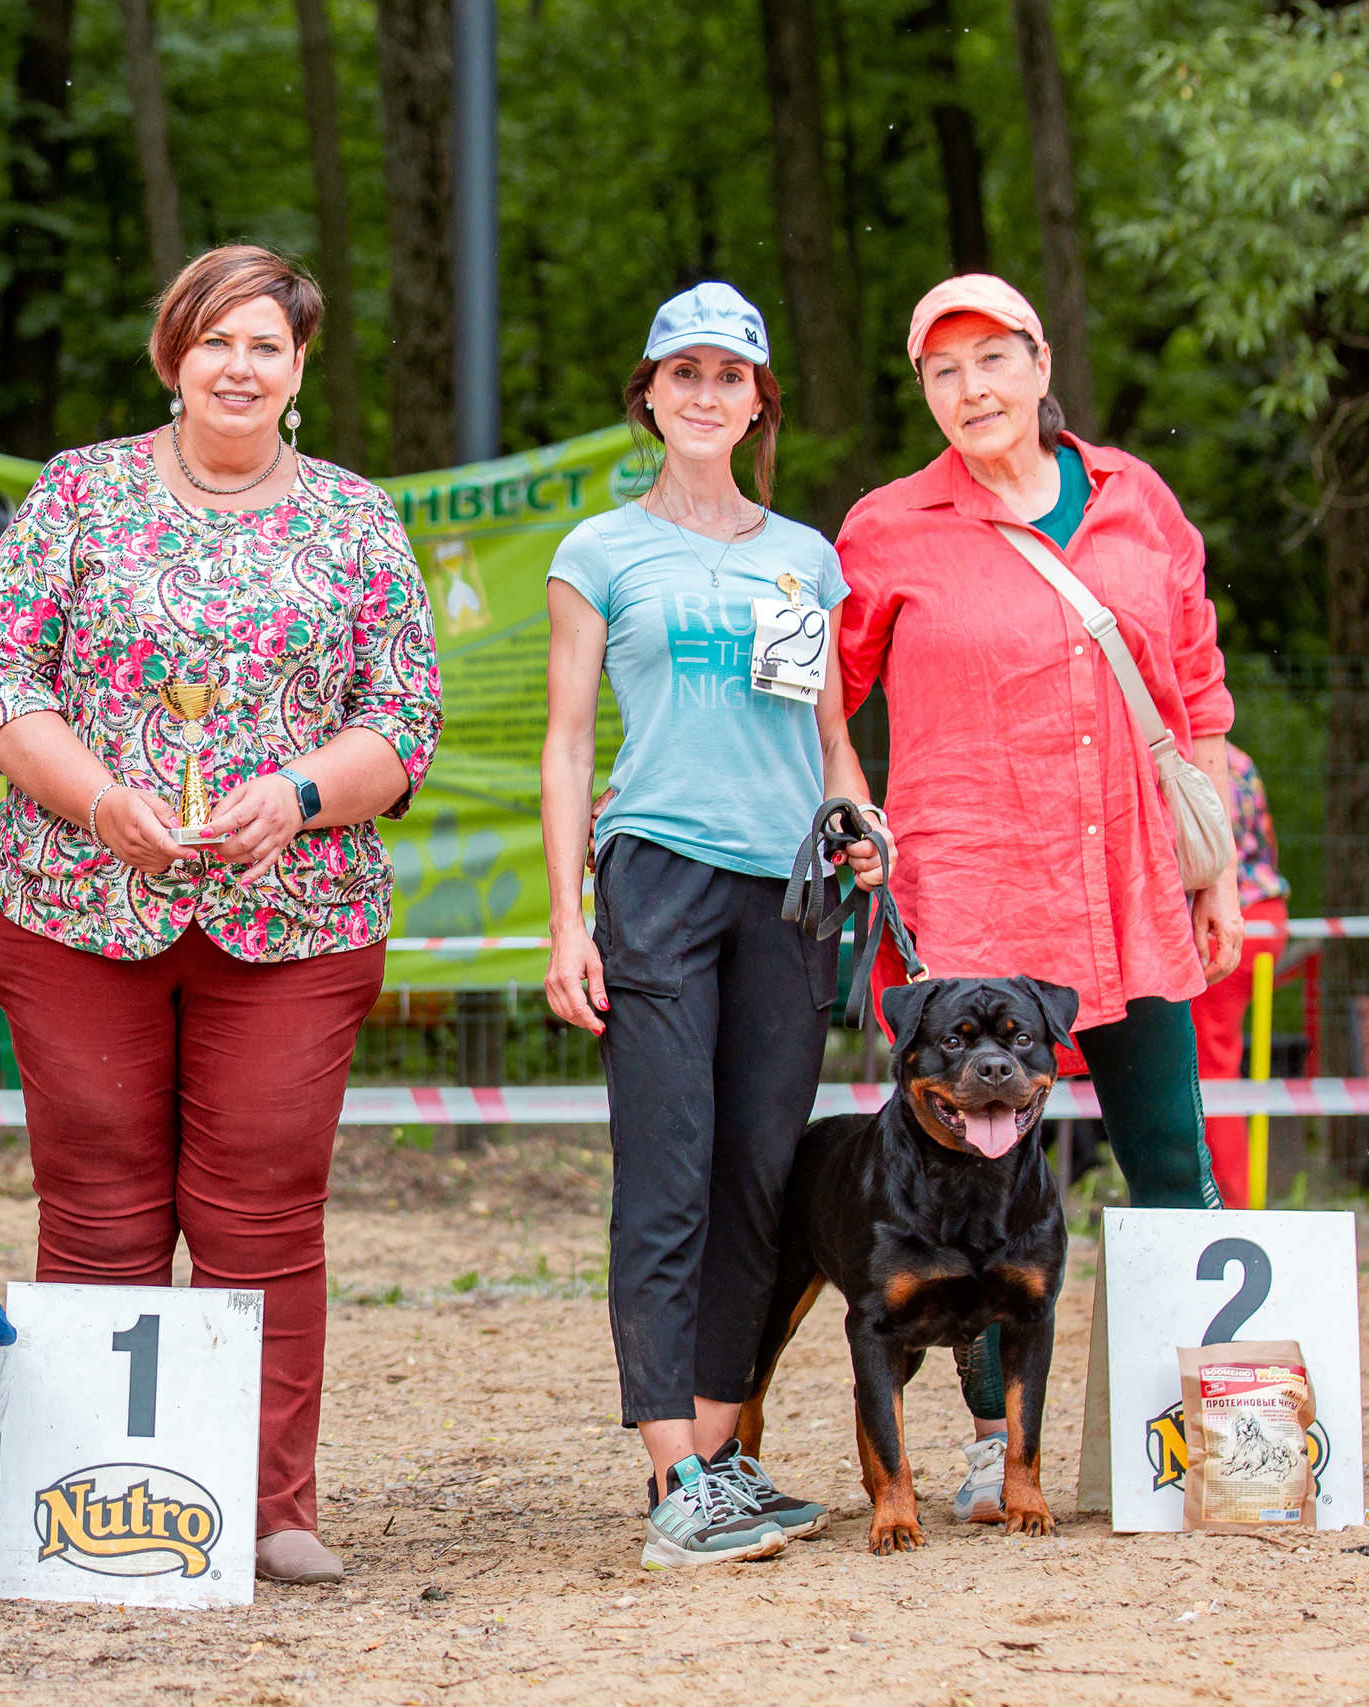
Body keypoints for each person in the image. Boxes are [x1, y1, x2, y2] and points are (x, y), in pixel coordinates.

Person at [0, 245, 441, 1586]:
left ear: (297, 371)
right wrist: (101, 796)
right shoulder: (78, 494)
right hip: (75, 907)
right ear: (174, 355)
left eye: (266, 346)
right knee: (98, 1208)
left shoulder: (355, 518)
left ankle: (271, 1503)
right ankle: (83, 1490)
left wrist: (296, 792)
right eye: (214, 339)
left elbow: (403, 719)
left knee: (266, 1211)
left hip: (294, 922)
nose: (239, 365)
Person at [834, 274, 1245, 1530]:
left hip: (1127, 885)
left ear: (1038, 359)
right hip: (969, 895)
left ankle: (1225, 1432)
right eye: (943, 371)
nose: (973, 389)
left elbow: (1194, 689)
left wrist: (1215, 871)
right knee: (963, 1193)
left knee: (1169, 1156)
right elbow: (819, 696)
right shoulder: (885, 527)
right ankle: (983, 1441)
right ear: (924, 392)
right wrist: (860, 817)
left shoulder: (1134, 498)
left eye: (992, 360)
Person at [540, 281, 881, 1570]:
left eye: (727, 376)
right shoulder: (601, 552)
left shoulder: (805, 556)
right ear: (648, 395)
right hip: (656, 879)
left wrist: (863, 824)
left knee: (756, 1173)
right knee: (668, 1168)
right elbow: (569, 749)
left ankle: (724, 1463)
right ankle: (671, 1473)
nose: (702, 393)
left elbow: (829, 737)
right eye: (679, 373)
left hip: (789, 892)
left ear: (756, 401)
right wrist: (566, 917)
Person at [1192, 743, 1291, 1203]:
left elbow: (1201, 853)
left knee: (1208, 1068)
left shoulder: (1187, 756)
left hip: (1228, 914)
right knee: (1217, 1058)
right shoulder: (1238, 756)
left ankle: (1228, 1202)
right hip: (1265, 910)